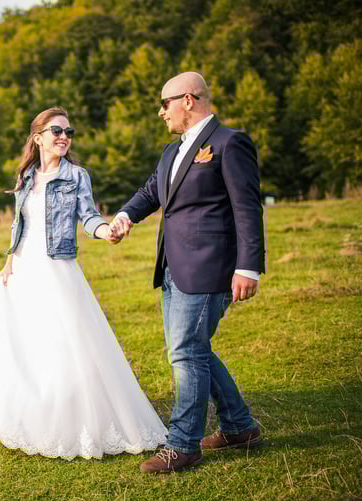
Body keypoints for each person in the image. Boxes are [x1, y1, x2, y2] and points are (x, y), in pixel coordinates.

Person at [0, 107, 167, 459]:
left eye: (68, 132)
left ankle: (63, 414)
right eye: (57, 131)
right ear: (38, 138)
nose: (64, 137)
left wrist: (105, 231)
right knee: (15, 344)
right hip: (22, 267)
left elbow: (88, 216)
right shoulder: (26, 175)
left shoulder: (77, 176)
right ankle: (12, 412)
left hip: (56, 268)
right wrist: (8, 261)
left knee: (61, 342)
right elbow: (19, 224)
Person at [108, 72, 266, 473]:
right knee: (194, 350)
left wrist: (248, 267)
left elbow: (247, 208)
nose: (162, 113)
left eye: (165, 104)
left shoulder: (229, 143)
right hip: (172, 268)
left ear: (189, 100)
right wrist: (126, 215)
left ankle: (182, 445)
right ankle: (239, 427)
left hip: (210, 267)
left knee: (185, 353)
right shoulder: (171, 151)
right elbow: (151, 191)